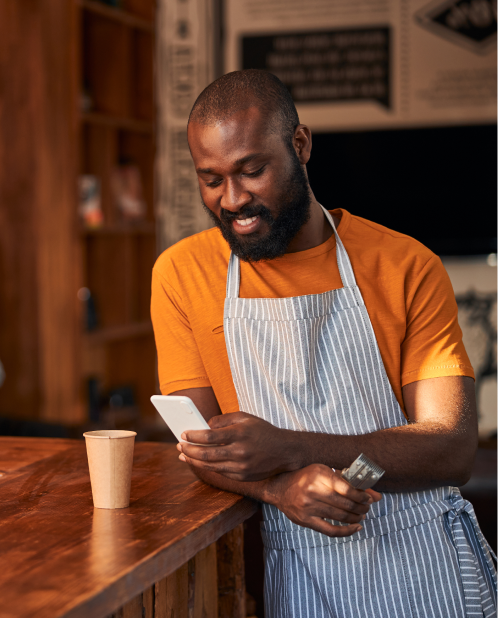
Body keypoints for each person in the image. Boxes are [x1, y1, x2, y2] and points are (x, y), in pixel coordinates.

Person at [151, 69, 498, 617]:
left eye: (252, 171)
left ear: (300, 144)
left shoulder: (405, 265)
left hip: (425, 568)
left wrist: (291, 447)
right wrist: (278, 490)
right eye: (211, 180)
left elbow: (451, 448)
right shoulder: (183, 274)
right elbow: (202, 445)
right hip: (299, 575)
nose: (233, 200)